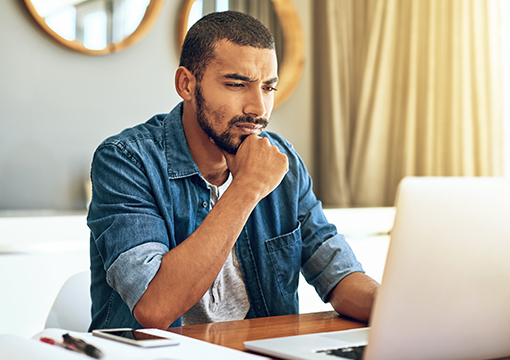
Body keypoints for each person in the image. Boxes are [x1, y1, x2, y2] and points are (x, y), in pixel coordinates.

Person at [87, 10, 379, 331]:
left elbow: (337, 272)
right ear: (186, 84)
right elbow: (155, 309)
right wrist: (247, 188)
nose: (258, 108)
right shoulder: (126, 161)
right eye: (237, 84)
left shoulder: (283, 161)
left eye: (268, 88)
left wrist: (400, 309)